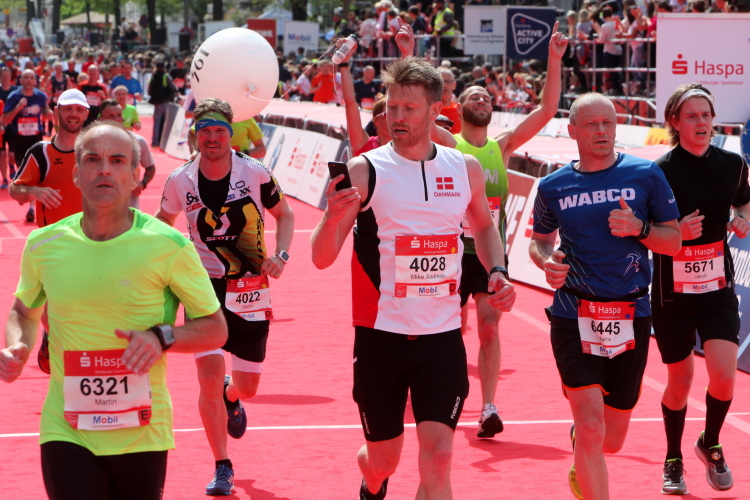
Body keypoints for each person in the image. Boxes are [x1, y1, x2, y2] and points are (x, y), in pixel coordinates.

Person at [310, 57, 515, 500]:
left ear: (436, 111)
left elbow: (483, 227)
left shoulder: (464, 168)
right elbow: (321, 258)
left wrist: (497, 271)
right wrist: (331, 218)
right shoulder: (364, 170)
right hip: (380, 338)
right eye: (392, 107)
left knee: (439, 457)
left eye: (409, 108)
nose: (396, 117)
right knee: (384, 461)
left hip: (442, 338)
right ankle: (372, 480)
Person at [0, 121, 227, 500]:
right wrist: (17, 346)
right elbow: (23, 312)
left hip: (142, 433)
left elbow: (215, 328)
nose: (104, 169)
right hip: (66, 430)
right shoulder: (43, 244)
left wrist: (162, 337)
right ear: (76, 173)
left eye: (118, 160)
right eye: (93, 159)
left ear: (136, 176)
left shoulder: (168, 245)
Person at [528, 93, 682, 500]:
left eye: (608, 123)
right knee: (593, 427)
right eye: (592, 124)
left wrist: (640, 229)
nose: (602, 131)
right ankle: (585, 439)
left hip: (631, 313)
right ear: (572, 131)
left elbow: (674, 242)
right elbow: (539, 241)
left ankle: (582, 444)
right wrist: (546, 261)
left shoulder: (645, 175)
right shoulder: (553, 186)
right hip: (572, 311)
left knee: (610, 440)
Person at [155, 97, 295, 496]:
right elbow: (161, 223)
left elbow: (285, 214)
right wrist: (165, 263)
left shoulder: (255, 172)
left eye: (219, 130)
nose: (212, 138)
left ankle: (233, 396)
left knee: (247, 387)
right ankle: (222, 465)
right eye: (205, 131)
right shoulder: (180, 179)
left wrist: (281, 255)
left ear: (231, 134)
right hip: (202, 289)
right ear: (195, 134)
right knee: (208, 378)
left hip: (250, 287)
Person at [439, 21, 567, 439]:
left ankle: (488, 407)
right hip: (449, 253)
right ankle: (437, 392)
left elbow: (547, 110)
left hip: (489, 255)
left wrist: (553, 59)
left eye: (487, 96)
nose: (482, 99)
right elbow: (415, 109)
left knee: (489, 327)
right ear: (458, 107)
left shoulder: (502, 146)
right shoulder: (449, 144)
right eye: (474, 96)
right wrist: (408, 55)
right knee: (446, 330)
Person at [652, 84, 750, 495]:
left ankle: (709, 442)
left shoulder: (733, 164)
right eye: (691, 116)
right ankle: (673, 458)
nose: (701, 122)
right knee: (680, 381)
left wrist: (743, 218)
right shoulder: (658, 171)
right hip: (672, 293)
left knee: (724, 377)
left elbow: (744, 201)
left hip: (717, 288)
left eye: (706, 115)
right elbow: (641, 230)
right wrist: (675, 233)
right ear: (674, 122)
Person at [4, 68, 53, 223]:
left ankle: (31, 208)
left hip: (36, 138)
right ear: (21, 80)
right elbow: (5, 119)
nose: (29, 80)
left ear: (35, 80)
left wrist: (48, 113)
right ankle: (25, 193)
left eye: (32, 77)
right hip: (19, 138)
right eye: (26, 77)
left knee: (36, 171)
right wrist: (18, 107)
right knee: (22, 170)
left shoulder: (41, 96)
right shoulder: (14, 96)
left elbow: (45, 109)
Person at [98, 99, 155, 209]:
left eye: (118, 115)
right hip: (99, 208)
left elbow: (151, 168)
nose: (116, 119)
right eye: (111, 116)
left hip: (129, 209)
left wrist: (142, 183)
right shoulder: (92, 142)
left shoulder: (138, 141)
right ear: (102, 119)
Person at [148, 59, 177, 147]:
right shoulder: (166, 76)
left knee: (156, 124)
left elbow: (149, 91)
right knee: (165, 123)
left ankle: (154, 142)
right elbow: (173, 88)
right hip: (166, 103)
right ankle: (164, 143)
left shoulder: (153, 77)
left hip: (156, 104)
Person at [0, 66, 18, 186]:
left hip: (12, 126)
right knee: (1, 154)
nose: (5, 78)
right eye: (3, 76)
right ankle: (5, 179)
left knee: (12, 155)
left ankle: (12, 167)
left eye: (7, 76)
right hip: (0, 127)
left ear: (10, 77)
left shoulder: (15, 92)